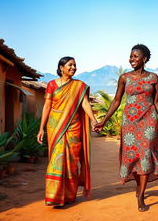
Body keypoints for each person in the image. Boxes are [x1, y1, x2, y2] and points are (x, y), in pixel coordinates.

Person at [94, 44, 158, 212]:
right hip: (129, 123)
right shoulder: (124, 78)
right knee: (132, 157)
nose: (132, 59)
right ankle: (139, 186)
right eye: (130, 56)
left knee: (144, 155)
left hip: (149, 121)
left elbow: (157, 101)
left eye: (135, 56)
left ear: (144, 58)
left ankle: (141, 195)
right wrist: (104, 120)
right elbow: (116, 100)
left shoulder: (153, 77)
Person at [37, 56, 97, 206]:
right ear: (61, 67)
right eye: (70, 65)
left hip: (73, 127)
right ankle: (54, 195)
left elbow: (84, 103)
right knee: (56, 160)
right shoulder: (51, 85)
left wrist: (93, 120)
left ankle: (69, 195)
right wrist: (41, 128)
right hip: (55, 126)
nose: (73, 67)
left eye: (75, 65)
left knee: (71, 161)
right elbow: (47, 106)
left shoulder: (79, 86)